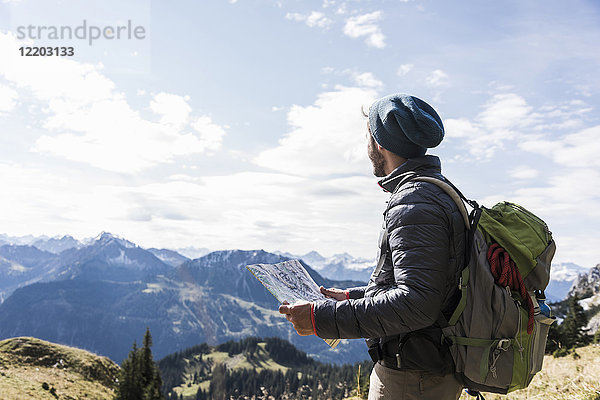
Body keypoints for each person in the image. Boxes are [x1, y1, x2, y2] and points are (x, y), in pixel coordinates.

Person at [279, 93, 467, 400]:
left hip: (412, 377)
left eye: (369, 137)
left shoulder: (415, 200)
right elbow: (431, 285)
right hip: (423, 368)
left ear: (380, 143)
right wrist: (352, 297)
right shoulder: (432, 191)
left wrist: (320, 318)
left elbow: (417, 303)